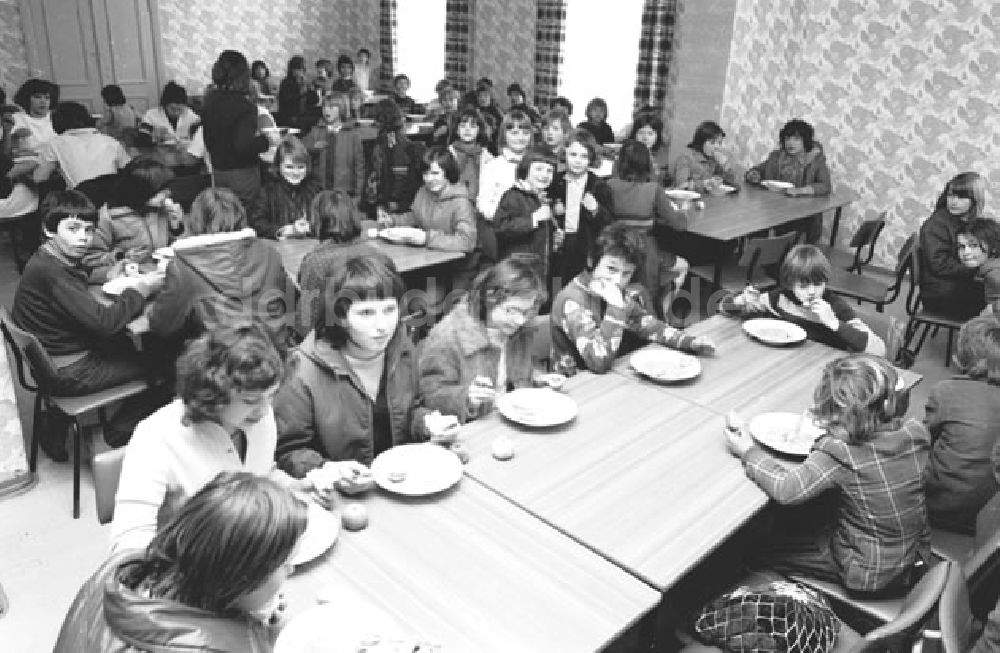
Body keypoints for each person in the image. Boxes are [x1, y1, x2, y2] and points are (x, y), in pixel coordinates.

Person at [725, 354, 932, 596]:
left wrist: (748, 451)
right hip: (913, 557)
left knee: (761, 547)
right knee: (819, 510)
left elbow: (786, 489)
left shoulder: (841, 452)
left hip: (868, 573)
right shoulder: (916, 434)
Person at [110, 323, 324, 553]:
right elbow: (128, 542)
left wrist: (296, 487)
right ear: (213, 395)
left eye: (271, 396)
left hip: (245, 550)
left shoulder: (257, 414)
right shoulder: (156, 438)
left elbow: (262, 474)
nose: (263, 411)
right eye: (250, 401)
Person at [54, 471, 308, 653]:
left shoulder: (124, 568)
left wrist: (250, 616)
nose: (292, 569)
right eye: (284, 563)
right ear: (240, 578)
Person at [276, 253, 461, 478]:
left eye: (389, 310)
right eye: (366, 313)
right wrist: (325, 468)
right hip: (344, 496)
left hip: (401, 482)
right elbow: (288, 452)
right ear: (340, 317)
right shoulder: (302, 371)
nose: (382, 326)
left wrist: (428, 423)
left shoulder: (401, 347)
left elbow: (412, 407)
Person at [11, 191, 164, 459]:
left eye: (89, 229)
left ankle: (55, 422)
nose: (83, 237)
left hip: (52, 361)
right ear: (49, 229)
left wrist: (108, 272)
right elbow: (104, 324)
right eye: (73, 228)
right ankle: (109, 435)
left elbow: (75, 279)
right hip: (71, 372)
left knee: (134, 343)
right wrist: (140, 289)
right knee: (169, 367)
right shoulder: (52, 273)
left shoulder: (46, 259)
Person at [550, 223, 714, 376]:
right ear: (592, 261)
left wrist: (689, 342)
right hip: (577, 386)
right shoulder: (572, 300)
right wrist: (615, 307)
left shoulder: (617, 293)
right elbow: (597, 361)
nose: (617, 280)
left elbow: (649, 326)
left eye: (626, 273)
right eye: (611, 268)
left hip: (611, 378)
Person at [148, 187, 296, 344]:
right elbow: (292, 302)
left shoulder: (182, 266)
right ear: (241, 216)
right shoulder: (269, 253)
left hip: (221, 359)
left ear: (195, 220)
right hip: (273, 351)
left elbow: (162, 326)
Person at [419, 257, 551, 423]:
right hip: (472, 428)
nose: (520, 320)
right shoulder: (448, 336)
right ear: (490, 299)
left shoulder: (520, 329)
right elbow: (429, 396)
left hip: (513, 420)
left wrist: (537, 378)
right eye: (511, 311)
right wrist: (467, 398)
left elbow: (519, 375)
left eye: (526, 312)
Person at [720, 245, 887, 355]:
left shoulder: (836, 307)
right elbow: (724, 309)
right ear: (790, 284)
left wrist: (834, 323)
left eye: (818, 284)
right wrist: (741, 300)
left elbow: (879, 350)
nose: (812, 292)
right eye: (804, 286)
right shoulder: (778, 299)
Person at [922, 315, 1000, 534]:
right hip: (990, 518)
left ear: (960, 358)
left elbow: (923, 441)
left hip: (942, 509)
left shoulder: (946, 391)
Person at [605, 139, 689, 318]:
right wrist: (681, 210)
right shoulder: (653, 189)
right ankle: (664, 315)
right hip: (644, 253)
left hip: (615, 249)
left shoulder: (610, 186)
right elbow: (680, 225)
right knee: (683, 265)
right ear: (647, 164)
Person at [82, 157, 183, 283]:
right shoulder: (109, 217)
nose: (168, 193)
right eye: (161, 190)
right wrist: (122, 257)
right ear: (141, 192)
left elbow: (169, 247)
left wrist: (176, 228)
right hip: (129, 282)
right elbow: (89, 261)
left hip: (161, 276)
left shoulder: (159, 209)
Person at [203, 50, 278, 208]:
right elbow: (243, 146)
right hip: (242, 175)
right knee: (247, 216)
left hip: (218, 171)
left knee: (224, 216)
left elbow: (208, 139)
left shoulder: (210, 101)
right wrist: (267, 140)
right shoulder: (245, 107)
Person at [295, 190, 373, 336]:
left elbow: (306, 318)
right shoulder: (375, 253)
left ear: (316, 220)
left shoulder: (316, 262)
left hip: (334, 341)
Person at [746, 118, 832, 243]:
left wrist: (800, 190)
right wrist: (753, 175)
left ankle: (784, 256)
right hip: (774, 207)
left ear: (805, 141)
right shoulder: (776, 156)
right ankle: (759, 257)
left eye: (796, 139)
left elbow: (825, 186)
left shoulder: (815, 159)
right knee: (754, 221)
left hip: (801, 212)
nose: (790, 143)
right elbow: (758, 170)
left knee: (790, 234)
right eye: (787, 138)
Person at [917, 171, 989, 319]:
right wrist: (977, 269)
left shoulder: (959, 219)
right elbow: (939, 265)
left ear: (975, 199)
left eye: (961, 197)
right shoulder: (937, 224)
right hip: (939, 294)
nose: (954, 202)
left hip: (950, 285)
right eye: (951, 195)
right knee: (994, 298)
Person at [377, 146, 476, 252]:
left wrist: (427, 238)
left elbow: (467, 242)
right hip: (428, 255)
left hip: (455, 262)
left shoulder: (461, 202)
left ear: (447, 173)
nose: (429, 179)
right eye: (425, 174)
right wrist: (392, 220)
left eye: (435, 173)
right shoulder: (423, 192)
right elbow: (415, 217)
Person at [549, 129, 612, 285]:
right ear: (565, 154)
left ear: (591, 159)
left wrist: (595, 209)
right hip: (559, 245)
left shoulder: (598, 185)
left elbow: (609, 221)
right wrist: (553, 210)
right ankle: (555, 306)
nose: (578, 161)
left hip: (585, 246)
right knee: (556, 284)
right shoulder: (555, 181)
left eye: (584, 156)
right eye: (573, 155)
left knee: (581, 287)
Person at [493, 147, 558, 281]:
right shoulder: (513, 196)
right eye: (538, 169)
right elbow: (501, 228)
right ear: (526, 169)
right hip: (517, 269)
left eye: (549, 171)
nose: (544, 175)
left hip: (539, 268)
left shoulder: (543, 199)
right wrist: (533, 219)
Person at [33, 101, 130, 188]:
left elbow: (39, 178)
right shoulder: (110, 141)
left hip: (81, 202)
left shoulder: (55, 143)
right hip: (112, 198)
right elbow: (129, 170)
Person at [250, 135, 322, 239]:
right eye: (289, 167)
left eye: (301, 167)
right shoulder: (267, 191)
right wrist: (287, 230)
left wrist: (312, 227)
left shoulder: (315, 189)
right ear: (279, 166)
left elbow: (328, 219)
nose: (295, 172)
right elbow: (256, 222)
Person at [364, 98, 425, 214]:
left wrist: (394, 198)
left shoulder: (393, 140)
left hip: (393, 199)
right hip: (385, 193)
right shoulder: (386, 137)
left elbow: (399, 171)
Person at [302, 92, 365, 198]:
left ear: (341, 109)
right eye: (324, 107)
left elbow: (359, 167)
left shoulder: (352, 135)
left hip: (344, 191)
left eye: (331, 107)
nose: (326, 110)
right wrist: (313, 148)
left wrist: (358, 196)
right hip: (319, 190)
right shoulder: (316, 131)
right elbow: (300, 152)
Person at [477, 109, 534, 221]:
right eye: (514, 133)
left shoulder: (535, 165)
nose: (520, 137)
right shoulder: (492, 166)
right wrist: (505, 219)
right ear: (504, 135)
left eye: (525, 133)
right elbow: (483, 203)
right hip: (500, 228)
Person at [671, 120, 740, 192]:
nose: (716, 147)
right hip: (686, 201)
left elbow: (734, 184)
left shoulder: (713, 158)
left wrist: (725, 165)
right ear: (701, 141)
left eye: (719, 143)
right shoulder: (686, 157)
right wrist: (704, 184)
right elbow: (681, 186)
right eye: (712, 142)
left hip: (708, 199)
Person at [447, 106, 494, 201]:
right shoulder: (448, 154)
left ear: (479, 130)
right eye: (463, 126)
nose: (467, 130)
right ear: (456, 129)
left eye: (472, 126)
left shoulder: (487, 156)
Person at [957, 218, 1000, 316]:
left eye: (974, 245)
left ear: (993, 247)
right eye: (961, 247)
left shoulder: (994, 276)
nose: (966, 252)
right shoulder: (989, 268)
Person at [137, 81, 199, 147]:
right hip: (159, 154)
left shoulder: (189, 114)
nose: (176, 113)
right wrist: (154, 137)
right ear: (165, 104)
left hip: (185, 153)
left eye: (179, 109)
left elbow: (202, 132)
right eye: (173, 109)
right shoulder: (151, 115)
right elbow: (141, 140)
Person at [10, 78, 58, 153]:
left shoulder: (57, 118)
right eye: (37, 97)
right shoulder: (16, 118)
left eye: (47, 98)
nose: (43, 101)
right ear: (27, 98)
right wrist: (15, 137)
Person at [628, 110, 671, 186]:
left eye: (650, 134)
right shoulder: (627, 155)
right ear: (634, 134)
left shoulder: (662, 156)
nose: (645, 138)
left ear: (657, 136)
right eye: (641, 133)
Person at [278, 55, 315, 130]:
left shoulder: (305, 82)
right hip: (290, 115)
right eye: (296, 69)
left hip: (304, 115)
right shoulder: (286, 82)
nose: (298, 72)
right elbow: (286, 100)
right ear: (291, 70)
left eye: (301, 69)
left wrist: (311, 89)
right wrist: (300, 93)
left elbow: (314, 101)